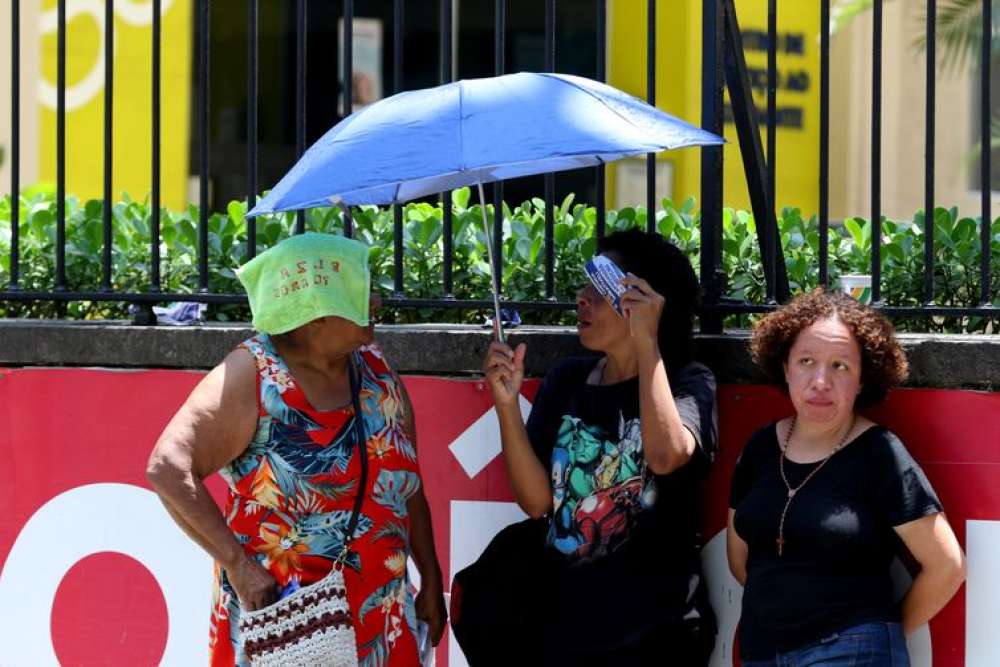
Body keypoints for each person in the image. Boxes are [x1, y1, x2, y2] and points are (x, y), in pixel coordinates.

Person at [146, 232, 446, 666]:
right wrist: (239, 566)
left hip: (380, 616)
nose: (376, 302)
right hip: (287, 626)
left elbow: (407, 483)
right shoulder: (253, 374)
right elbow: (167, 468)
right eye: (360, 292)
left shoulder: (377, 369)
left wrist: (431, 579)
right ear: (315, 315)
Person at [452, 228, 718, 666]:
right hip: (563, 630)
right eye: (585, 284)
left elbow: (666, 456)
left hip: (656, 634)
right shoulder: (568, 379)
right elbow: (536, 502)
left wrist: (647, 342)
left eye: (602, 287)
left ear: (646, 301)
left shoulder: (689, 381)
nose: (582, 298)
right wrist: (506, 406)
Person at [727, 288, 966, 665]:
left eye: (841, 366)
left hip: (850, 651)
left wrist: (875, 634)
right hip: (763, 652)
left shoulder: (880, 453)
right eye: (806, 361)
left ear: (862, 380)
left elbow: (947, 566)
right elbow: (741, 560)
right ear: (785, 367)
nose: (820, 381)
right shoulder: (759, 448)